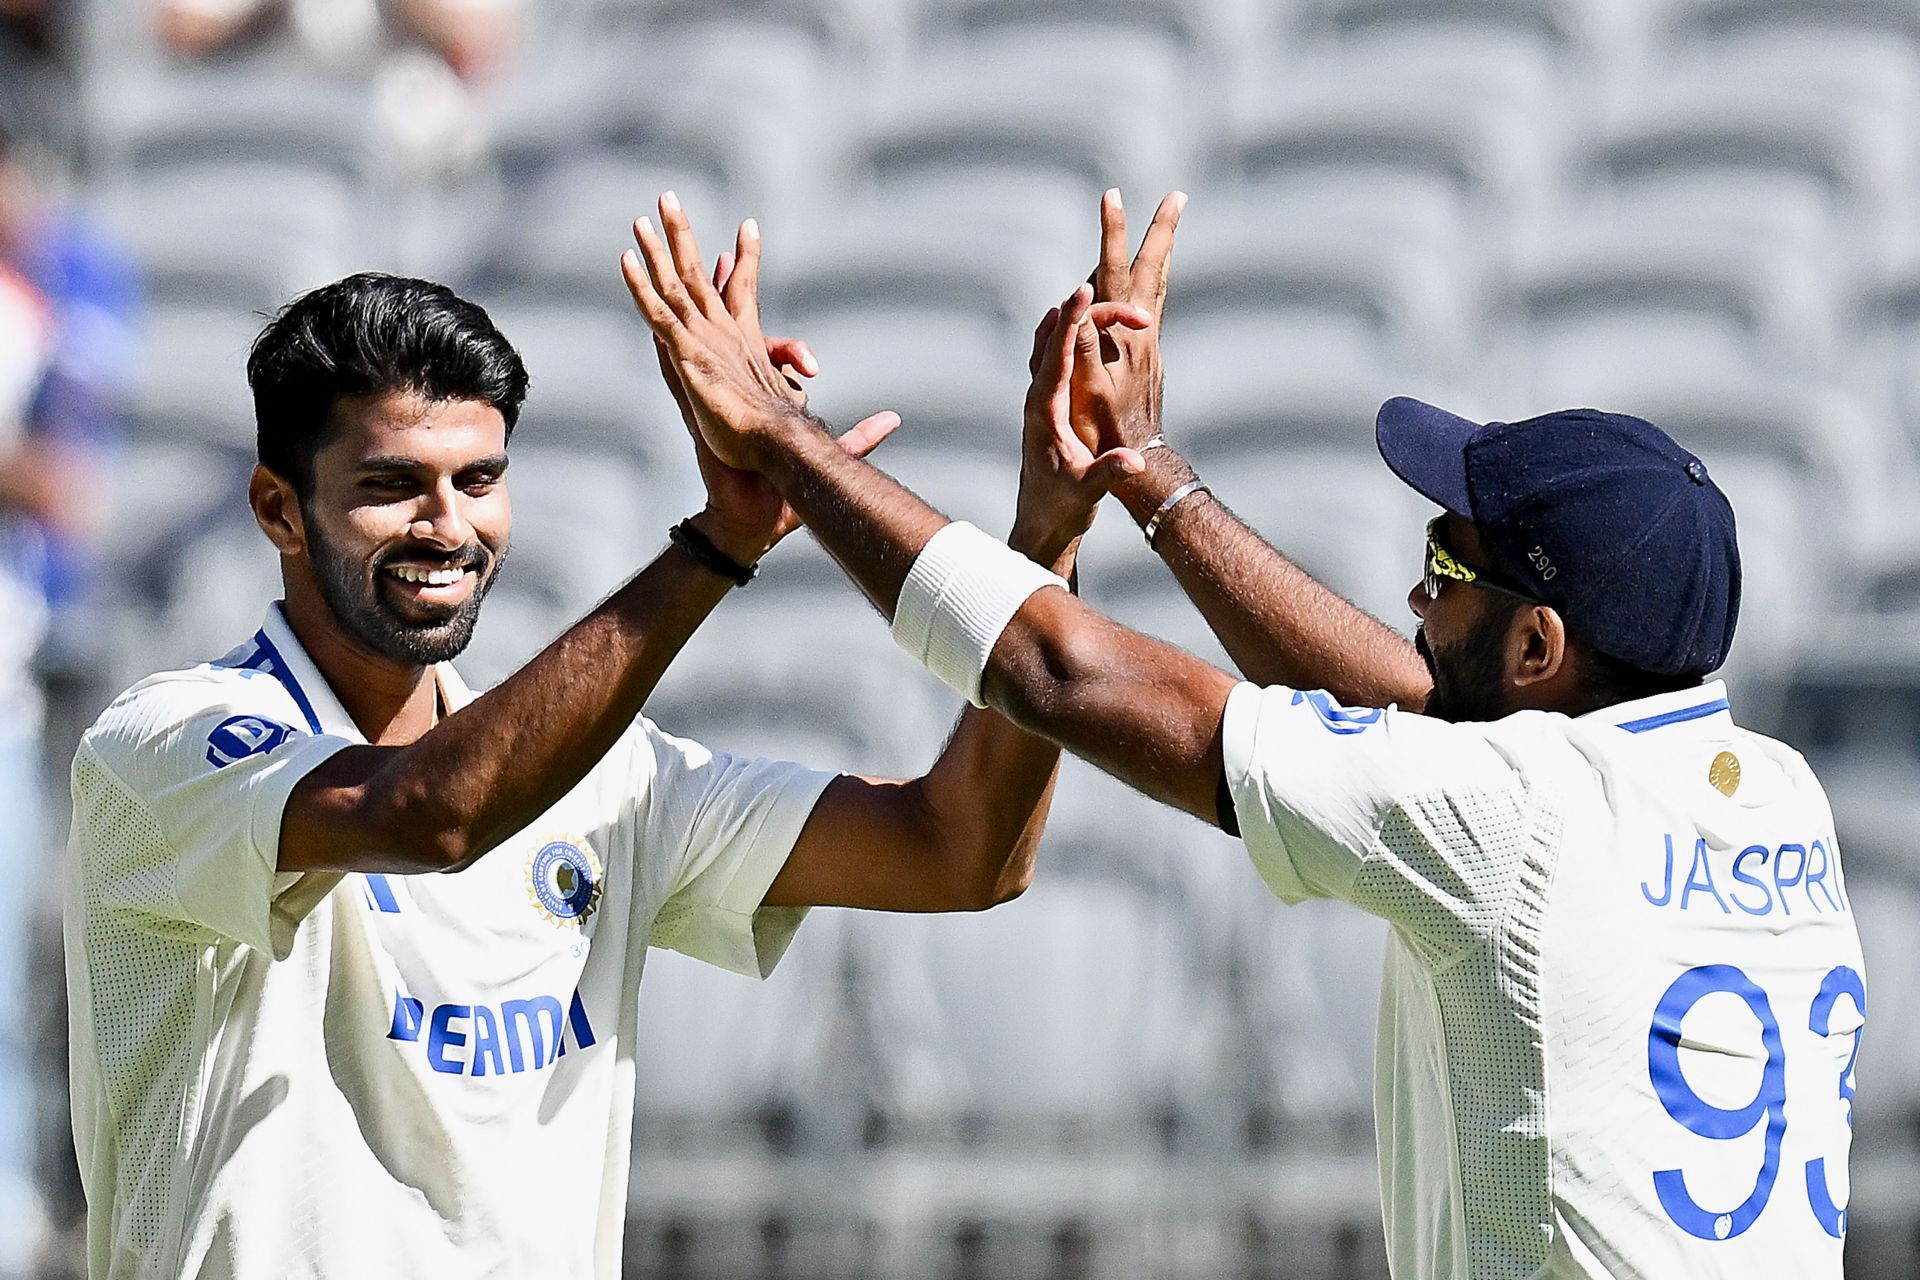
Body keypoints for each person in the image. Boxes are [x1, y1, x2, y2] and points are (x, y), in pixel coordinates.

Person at [625, 191, 1867, 1279]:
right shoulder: (1773, 791)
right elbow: (1427, 711)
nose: (1418, 599)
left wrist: (782, 443)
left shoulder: (1512, 817)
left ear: (1542, 648)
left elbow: (1051, 667)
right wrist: (1144, 474)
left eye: (1448, 563)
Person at [63, 262, 1146, 1278]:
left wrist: (1045, 539)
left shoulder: (604, 774)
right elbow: (433, 813)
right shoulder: (165, 744)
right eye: (392, 484)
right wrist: (716, 543)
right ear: (276, 510)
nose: (449, 526)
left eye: (478, 478)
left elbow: (959, 851)